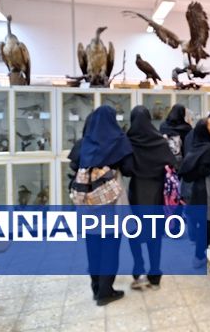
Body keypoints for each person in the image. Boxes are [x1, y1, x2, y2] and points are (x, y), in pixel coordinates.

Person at [68, 105, 133, 306]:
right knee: (111, 247)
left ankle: (96, 287)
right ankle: (106, 291)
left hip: (87, 203)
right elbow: (129, 169)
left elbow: (73, 164)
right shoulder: (118, 141)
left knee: (93, 245)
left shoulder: (83, 143)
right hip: (109, 202)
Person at [122, 106, 176, 290]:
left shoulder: (129, 141)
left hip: (136, 194)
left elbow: (127, 169)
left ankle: (139, 271)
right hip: (156, 194)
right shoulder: (159, 141)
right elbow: (172, 162)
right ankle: (155, 275)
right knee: (155, 235)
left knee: (134, 233)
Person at [178, 118, 210, 273]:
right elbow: (206, 170)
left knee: (204, 226)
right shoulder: (209, 149)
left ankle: (199, 257)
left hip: (199, 191)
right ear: (205, 131)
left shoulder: (199, 146)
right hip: (209, 191)